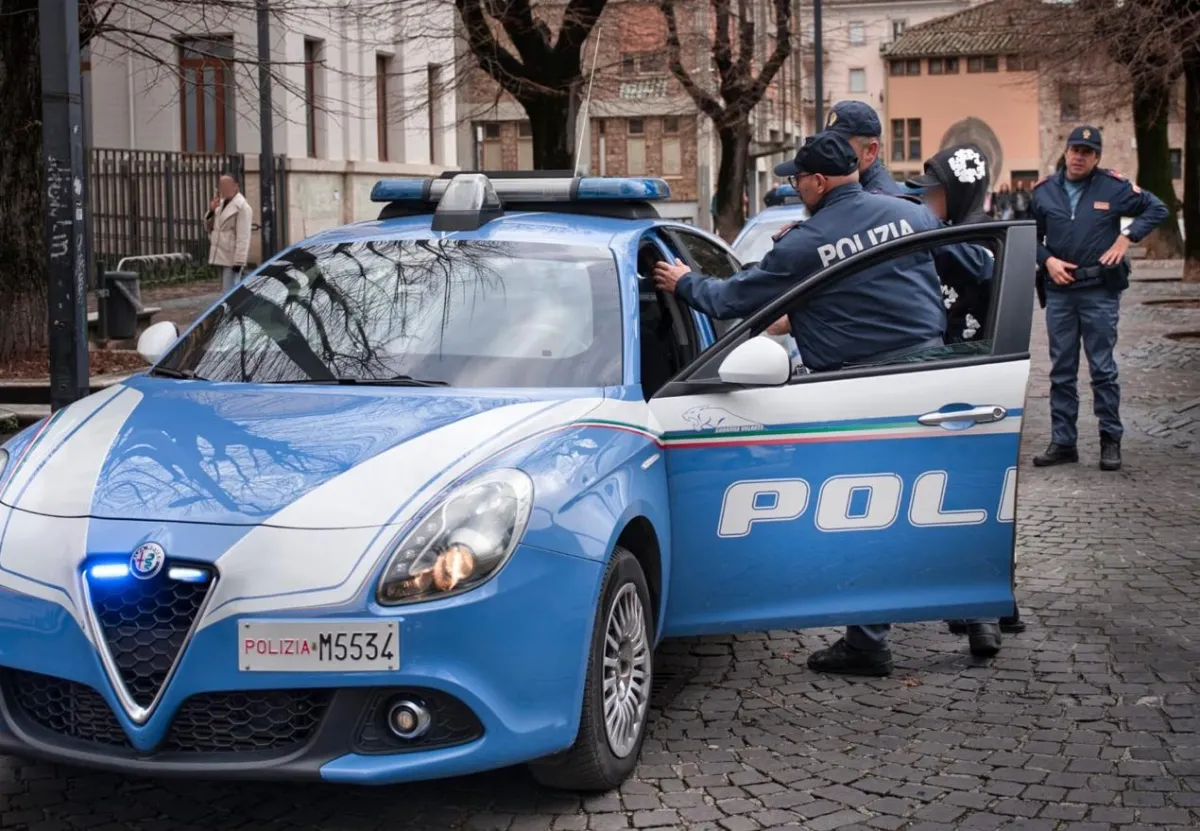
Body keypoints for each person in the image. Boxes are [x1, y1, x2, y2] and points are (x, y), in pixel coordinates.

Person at [652, 131, 951, 677]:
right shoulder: (911, 214)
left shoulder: (804, 242)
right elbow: (929, 274)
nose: (796, 188)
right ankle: (972, 613)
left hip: (860, 391)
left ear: (817, 182)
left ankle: (868, 644)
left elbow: (731, 299)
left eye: (798, 181)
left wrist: (684, 282)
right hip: (934, 376)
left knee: (863, 515)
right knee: (928, 502)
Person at [906, 143, 1025, 652]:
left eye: (932, 193)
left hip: (975, 380)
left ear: (955, 192)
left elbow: (977, 268)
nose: (926, 202)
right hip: (951, 373)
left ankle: (981, 614)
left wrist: (921, 229)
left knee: (969, 496)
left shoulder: (982, 237)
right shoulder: (958, 232)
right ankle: (991, 603)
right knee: (963, 492)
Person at [1030, 125, 1168, 471]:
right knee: (1062, 371)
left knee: (1103, 370)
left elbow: (1157, 208)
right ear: (1066, 152)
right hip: (1060, 292)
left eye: (1087, 152)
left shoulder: (1114, 187)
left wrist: (1126, 237)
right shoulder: (1044, 192)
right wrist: (1047, 260)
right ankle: (1064, 442)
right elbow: (1028, 235)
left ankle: (1110, 440)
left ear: (1097, 157)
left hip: (1098, 292)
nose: (1079, 157)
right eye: (1075, 149)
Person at [822, 100, 903, 195]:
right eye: (829, 142)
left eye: (840, 144)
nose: (831, 151)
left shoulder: (878, 198)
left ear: (870, 151)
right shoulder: (848, 185)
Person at [205, 173, 254, 292]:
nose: (223, 188)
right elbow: (209, 228)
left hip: (231, 256)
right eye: (221, 185)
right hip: (219, 254)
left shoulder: (242, 207)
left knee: (230, 290)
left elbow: (244, 236)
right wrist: (211, 211)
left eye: (227, 185)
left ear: (235, 186)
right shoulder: (220, 205)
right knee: (224, 290)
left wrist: (239, 261)